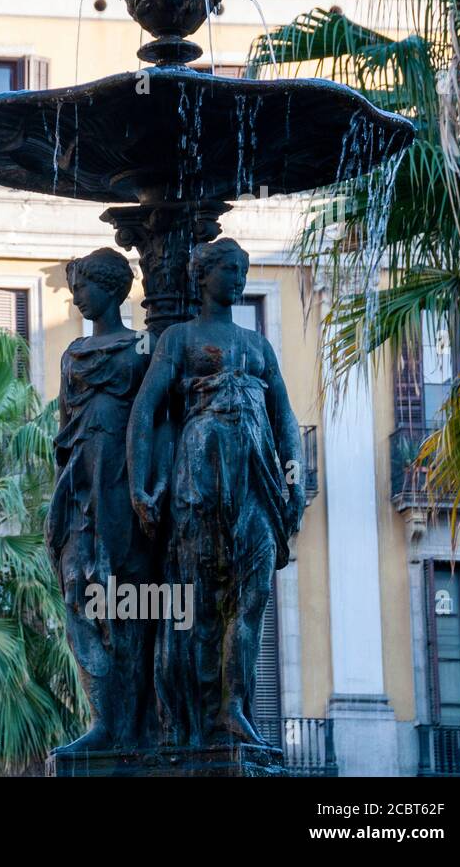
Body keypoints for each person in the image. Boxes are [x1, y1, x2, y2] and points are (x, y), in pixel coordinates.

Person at [127, 238, 304, 747]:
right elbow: (146, 408)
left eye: (243, 268)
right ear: (201, 275)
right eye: (228, 268)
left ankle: (233, 708)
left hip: (257, 482)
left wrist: (295, 480)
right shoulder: (179, 339)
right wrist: (140, 483)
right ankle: (194, 715)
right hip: (200, 477)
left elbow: (285, 419)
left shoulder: (258, 346)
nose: (238, 277)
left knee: (253, 597)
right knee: (201, 602)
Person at [47, 248, 156, 752]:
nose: (77, 294)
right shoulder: (72, 354)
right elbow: (64, 425)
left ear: (112, 287)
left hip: (121, 478)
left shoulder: (143, 347)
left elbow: (159, 421)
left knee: (125, 600)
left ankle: (130, 725)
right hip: (78, 479)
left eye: (86, 284)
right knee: (77, 591)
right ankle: (103, 719)